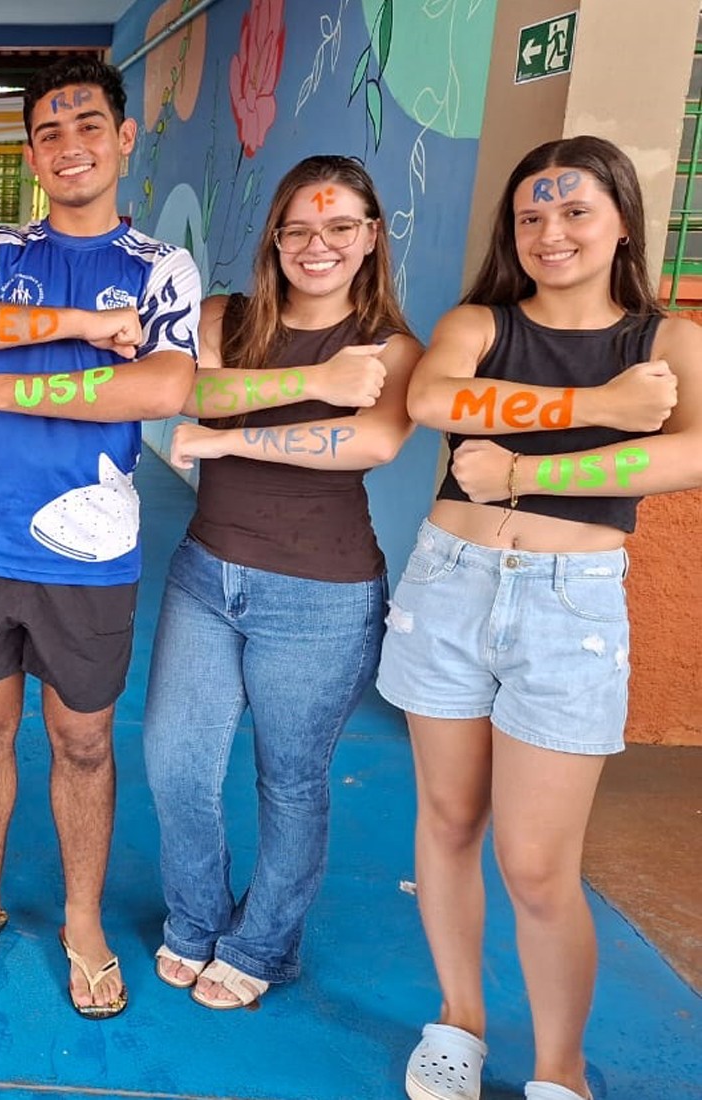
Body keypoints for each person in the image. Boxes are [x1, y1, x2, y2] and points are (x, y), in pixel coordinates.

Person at [380, 136, 702, 1100]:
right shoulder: (480, 321)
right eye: (532, 216)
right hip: (450, 585)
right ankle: (460, 1020)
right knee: (446, 820)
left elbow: (686, 458)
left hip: (573, 608)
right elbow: (433, 398)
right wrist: (600, 406)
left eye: (574, 212)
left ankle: (562, 1072)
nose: (551, 232)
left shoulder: (667, 339)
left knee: (535, 863)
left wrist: (523, 471)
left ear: (621, 222)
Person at [0, 58, 199, 1018]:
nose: (69, 145)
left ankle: (80, 919)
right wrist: (73, 324)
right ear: (33, 152)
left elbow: (157, 388)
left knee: (82, 740)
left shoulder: (160, 265)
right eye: (49, 132)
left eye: (86, 126)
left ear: (122, 136)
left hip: (91, 548)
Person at [145, 155, 421, 1010]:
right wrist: (310, 385)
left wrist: (228, 439)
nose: (318, 244)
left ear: (372, 237)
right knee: (174, 764)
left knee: (290, 782)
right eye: (298, 227)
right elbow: (178, 384)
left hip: (322, 593)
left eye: (340, 227)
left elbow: (369, 445)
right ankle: (194, 919)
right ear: (274, 236)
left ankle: (263, 943)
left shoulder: (393, 348)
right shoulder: (226, 318)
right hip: (205, 576)